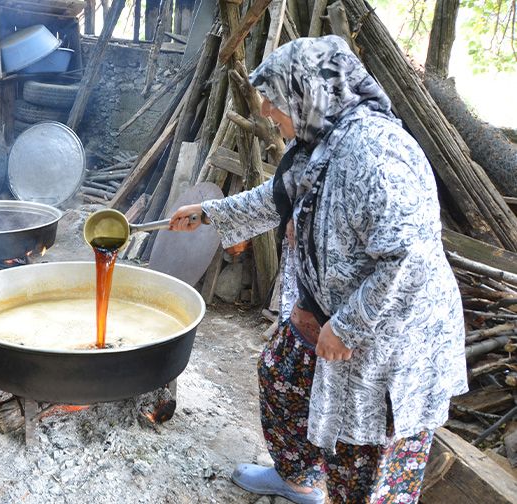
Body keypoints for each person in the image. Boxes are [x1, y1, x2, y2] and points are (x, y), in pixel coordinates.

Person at [170, 36, 467, 503]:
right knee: (282, 378)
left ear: (310, 93)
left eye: (274, 97)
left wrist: (347, 328)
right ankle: (298, 480)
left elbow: (409, 258)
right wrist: (210, 213)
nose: (266, 110)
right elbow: (280, 197)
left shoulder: (374, 153)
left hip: (387, 336)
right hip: (324, 310)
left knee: (364, 460)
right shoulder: (323, 142)